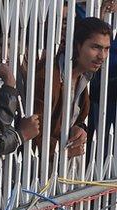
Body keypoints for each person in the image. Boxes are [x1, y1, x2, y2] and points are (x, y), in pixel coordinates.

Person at [32, 17, 111, 158]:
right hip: (37, 171)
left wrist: (79, 128)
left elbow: (75, 119)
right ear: (77, 45)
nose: (102, 56)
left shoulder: (83, 75)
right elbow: (33, 134)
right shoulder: (47, 78)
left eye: (106, 49)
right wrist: (64, 153)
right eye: (95, 47)